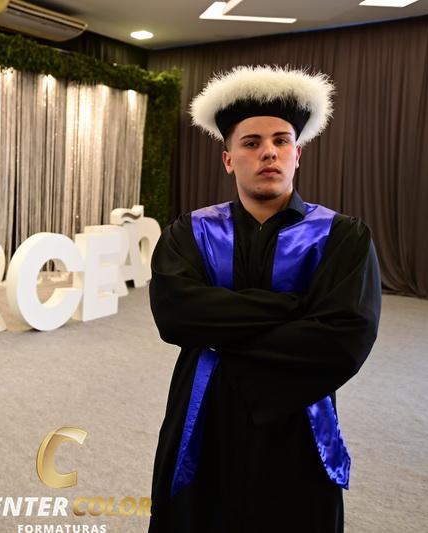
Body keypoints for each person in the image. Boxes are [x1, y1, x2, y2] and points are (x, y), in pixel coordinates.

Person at [147, 65, 382, 533]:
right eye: (251, 143)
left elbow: (344, 337)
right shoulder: (191, 231)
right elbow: (175, 315)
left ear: (298, 154)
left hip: (299, 413)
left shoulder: (341, 236)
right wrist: (293, 308)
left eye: (281, 141)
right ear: (228, 159)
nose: (268, 152)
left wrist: (222, 328)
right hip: (205, 407)